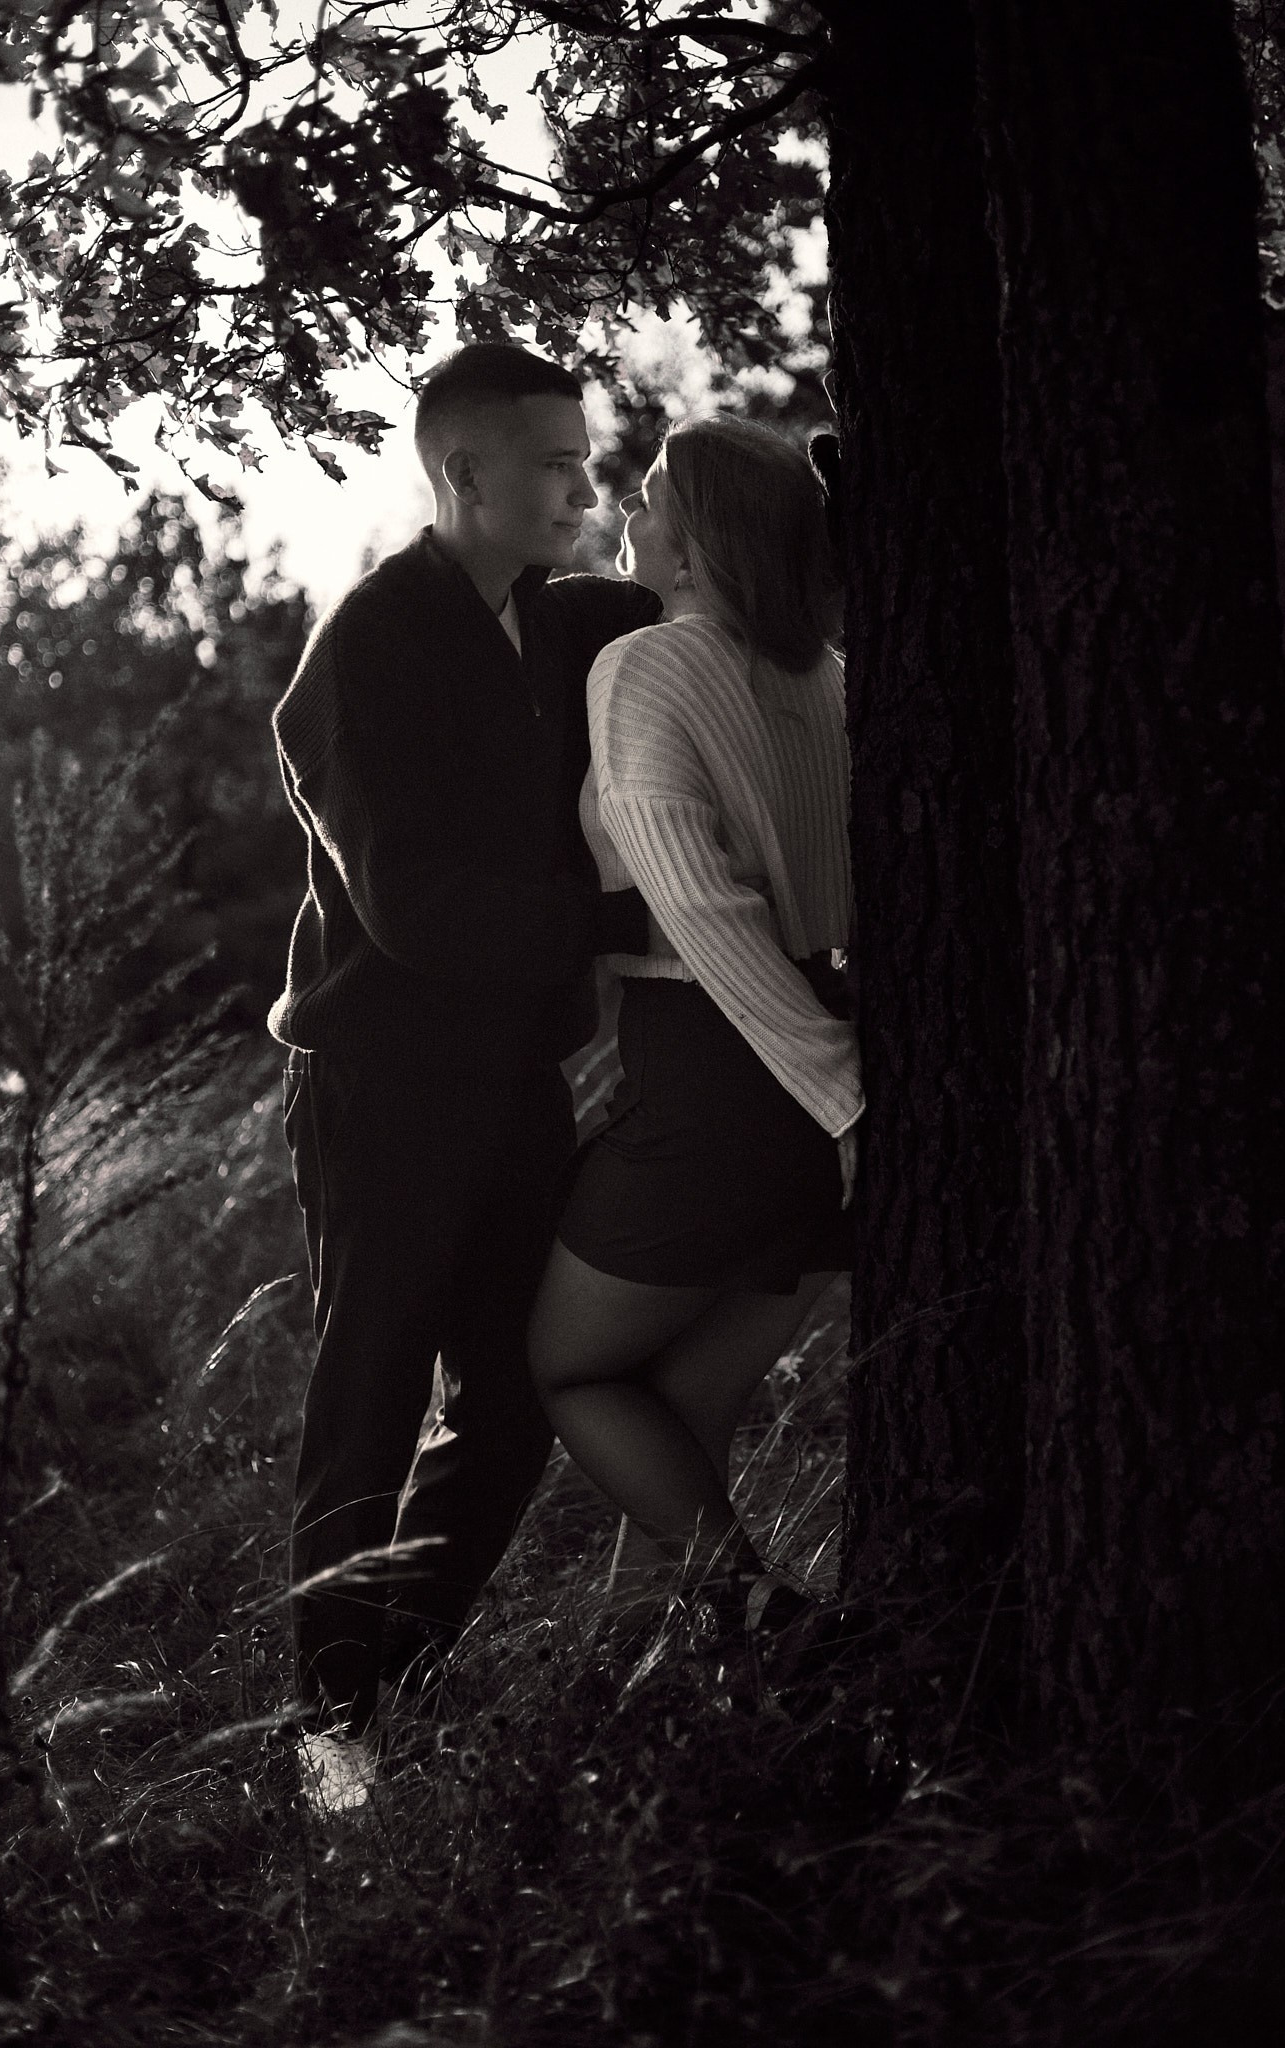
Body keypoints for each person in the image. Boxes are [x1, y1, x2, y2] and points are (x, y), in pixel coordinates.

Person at [270, 343, 659, 1814]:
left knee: (516, 1392)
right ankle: (326, 1735)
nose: (583, 487)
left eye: (585, 459)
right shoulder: (365, 653)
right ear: (463, 474)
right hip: (381, 1082)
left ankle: (396, 1676)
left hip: (513, 1084)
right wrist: (616, 921)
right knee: (369, 1396)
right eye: (555, 463)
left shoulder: (564, 617)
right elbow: (415, 913)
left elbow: (717, 590)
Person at [527, 415, 862, 1643]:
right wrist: (849, 1085)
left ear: (698, 544)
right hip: (824, 1058)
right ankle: (668, 1670)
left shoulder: (645, 665)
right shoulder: (831, 677)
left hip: (735, 1070)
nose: (628, 505)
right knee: (682, 1397)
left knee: (570, 1365)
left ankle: (761, 1614)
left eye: (655, 493)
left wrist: (846, 1094)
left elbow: (702, 911)